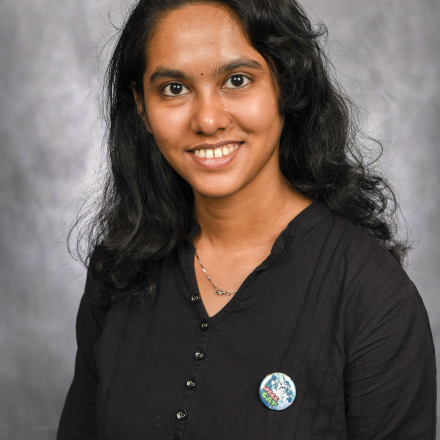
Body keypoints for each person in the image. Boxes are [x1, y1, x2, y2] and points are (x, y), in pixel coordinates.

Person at [57, 0, 436, 438]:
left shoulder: (372, 296)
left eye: (237, 80)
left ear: (287, 85)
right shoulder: (119, 269)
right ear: (141, 107)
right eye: (174, 89)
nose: (208, 119)